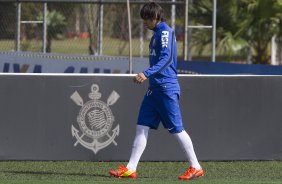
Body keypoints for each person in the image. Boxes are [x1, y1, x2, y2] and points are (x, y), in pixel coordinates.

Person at [109, 2, 204, 180]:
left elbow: (166, 58)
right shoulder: (156, 35)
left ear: (154, 18)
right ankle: (131, 168)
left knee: (177, 129)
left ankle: (195, 166)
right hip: (154, 89)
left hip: (166, 88)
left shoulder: (165, 32)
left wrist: (146, 73)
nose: (144, 22)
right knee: (141, 126)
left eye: (146, 19)